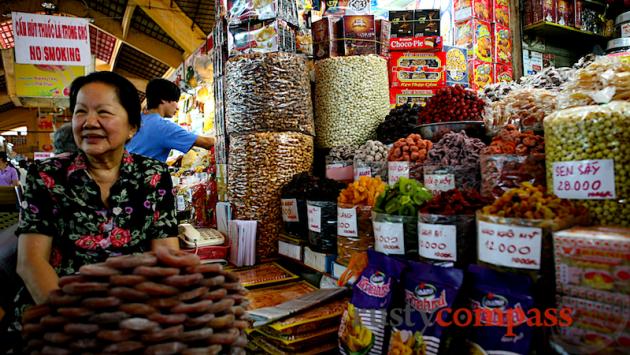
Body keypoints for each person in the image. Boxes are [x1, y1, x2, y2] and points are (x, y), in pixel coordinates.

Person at [4, 71, 180, 351]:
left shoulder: (153, 174)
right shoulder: (47, 175)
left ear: (132, 126)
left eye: (103, 112)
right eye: (80, 112)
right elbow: (30, 262)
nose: (89, 122)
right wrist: (80, 325)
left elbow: (167, 256)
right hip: (56, 312)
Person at [126, 78, 215, 162]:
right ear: (163, 99)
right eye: (176, 101)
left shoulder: (136, 120)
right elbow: (207, 143)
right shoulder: (163, 127)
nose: (177, 107)